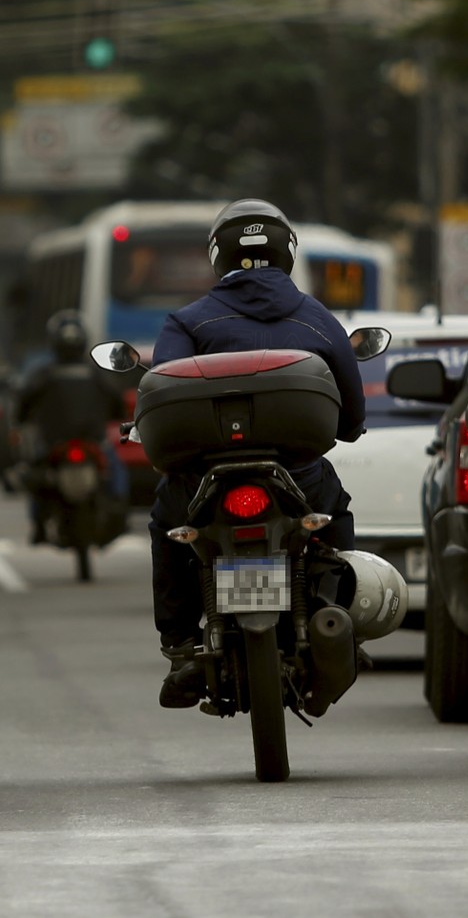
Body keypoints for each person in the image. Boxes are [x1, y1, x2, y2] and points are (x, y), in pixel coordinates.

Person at [148, 199, 366, 708]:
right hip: (300, 477)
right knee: (337, 514)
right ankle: (334, 616)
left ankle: (181, 643)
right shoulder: (319, 320)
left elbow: (162, 397)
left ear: (217, 255)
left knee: (166, 522)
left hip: (202, 482)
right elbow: (352, 417)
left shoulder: (187, 321)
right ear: (287, 252)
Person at [17, 310, 127, 544]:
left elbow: (24, 403)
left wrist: (22, 420)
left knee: (36, 472)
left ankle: (38, 526)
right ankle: (120, 512)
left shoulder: (44, 374)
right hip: (90, 441)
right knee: (115, 471)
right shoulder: (96, 373)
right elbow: (117, 402)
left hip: (57, 444)